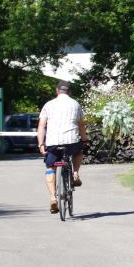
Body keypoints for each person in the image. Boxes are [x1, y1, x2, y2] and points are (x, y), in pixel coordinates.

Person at [37, 81, 88, 214]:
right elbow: (81, 125)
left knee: (50, 167)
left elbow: (42, 126)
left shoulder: (48, 105)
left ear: (56, 91)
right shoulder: (76, 104)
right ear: (69, 92)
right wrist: (84, 139)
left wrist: (41, 144)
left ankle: (53, 197)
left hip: (53, 143)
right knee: (78, 151)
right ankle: (75, 173)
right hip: (71, 142)